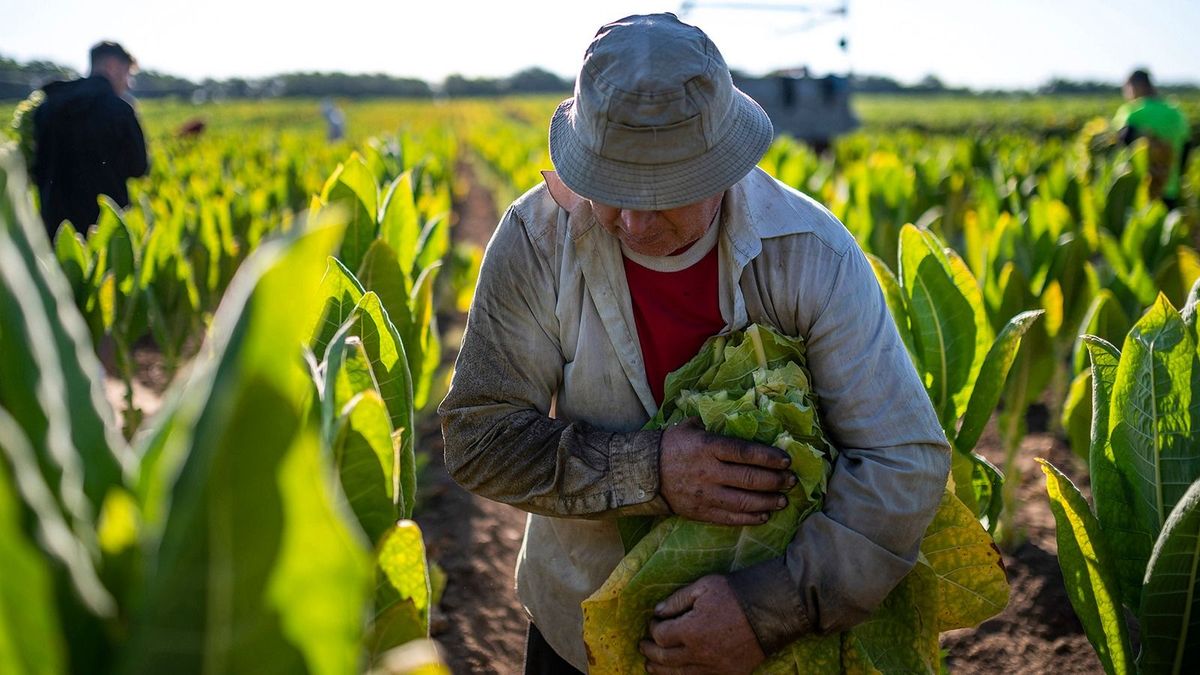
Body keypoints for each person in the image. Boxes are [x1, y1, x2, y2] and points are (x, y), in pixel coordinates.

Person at [439, 13, 949, 674]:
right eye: (609, 186)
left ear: (725, 165)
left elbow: (903, 459)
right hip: (582, 629)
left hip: (765, 650)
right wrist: (648, 469)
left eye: (663, 192)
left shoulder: (808, 252)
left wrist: (770, 610)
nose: (630, 220)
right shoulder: (537, 242)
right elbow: (480, 440)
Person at [32, 41, 149, 237]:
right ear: (111, 66)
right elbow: (139, 168)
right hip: (103, 229)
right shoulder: (120, 109)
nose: (128, 83)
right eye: (127, 73)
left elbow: (36, 167)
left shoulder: (47, 106)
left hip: (56, 229)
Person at [1114, 69, 1191, 209]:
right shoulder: (1177, 113)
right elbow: (1186, 148)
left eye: (1126, 89)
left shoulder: (1132, 111)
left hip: (1139, 193)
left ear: (1136, 86)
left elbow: (1120, 144)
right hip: (1170, 189)